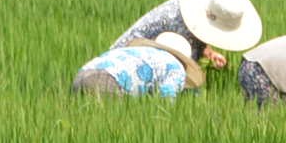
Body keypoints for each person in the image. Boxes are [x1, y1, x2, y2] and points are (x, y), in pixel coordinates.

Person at [109, 0, 263, 59]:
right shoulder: (180, 21)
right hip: (126, 61)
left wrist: (209, 53)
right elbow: (182, 69)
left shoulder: (196, 13)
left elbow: (200, 33)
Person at [72, 31, 209, 99]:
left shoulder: (140, 52)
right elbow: (166, 97)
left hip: (83, 73)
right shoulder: (175, 66)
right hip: (109, 81)